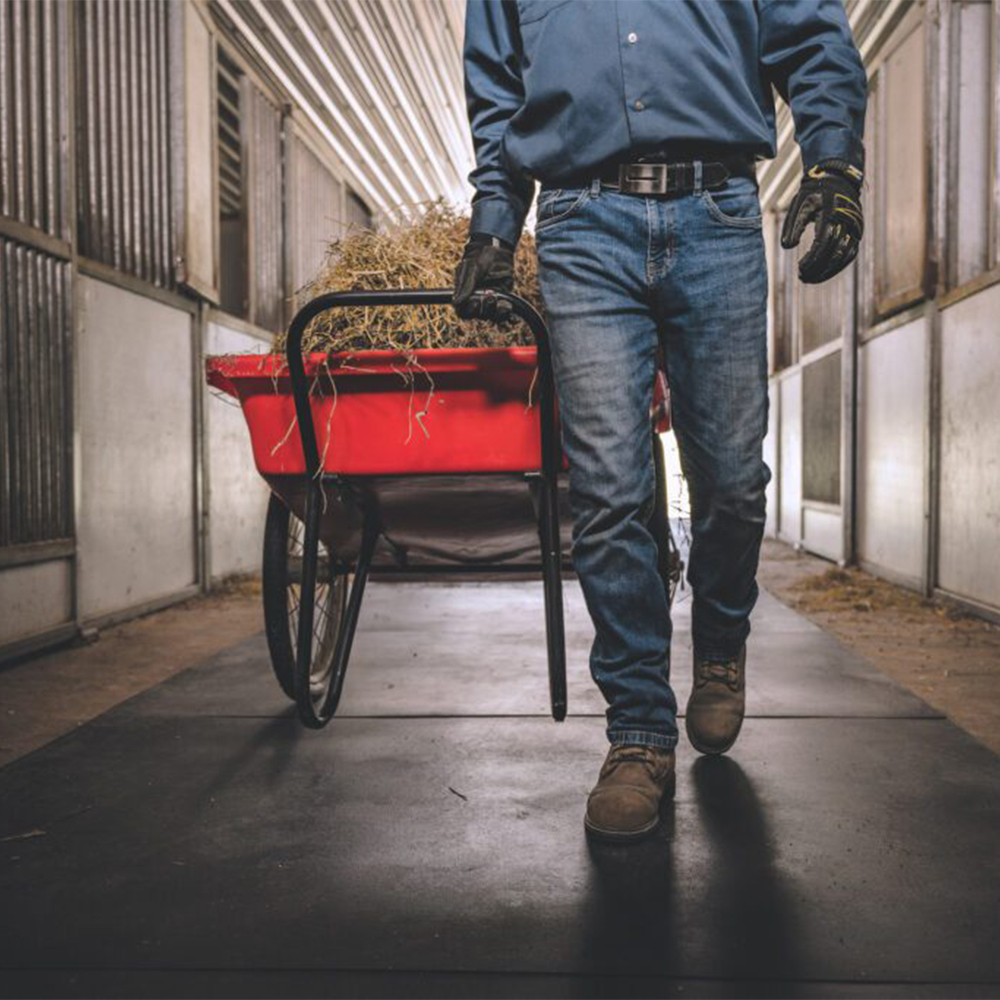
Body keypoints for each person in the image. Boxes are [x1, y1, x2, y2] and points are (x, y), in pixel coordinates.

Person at [453, 0, 867, 842]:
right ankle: (638, 733)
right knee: (608, 490)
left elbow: (811, 34)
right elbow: (497, 82)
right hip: (579, 224)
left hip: (714, 216)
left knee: (733, 483)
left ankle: (719, 638)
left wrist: (833, 163)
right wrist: (497, 220)